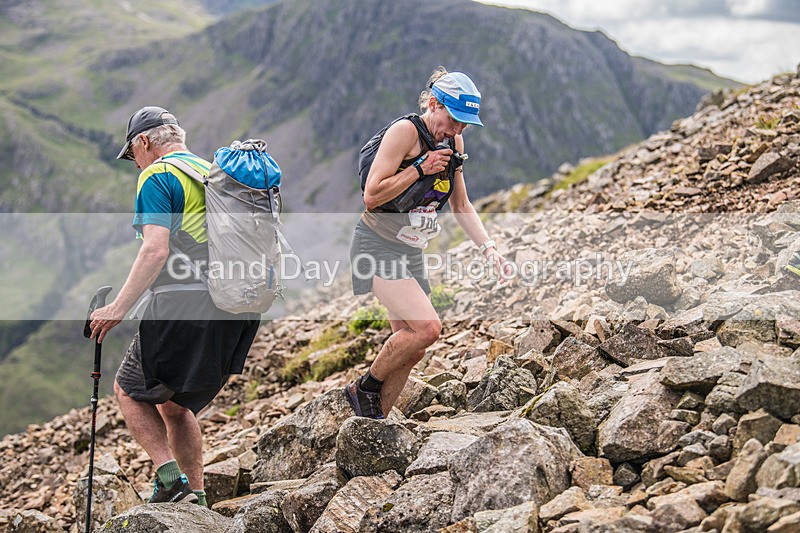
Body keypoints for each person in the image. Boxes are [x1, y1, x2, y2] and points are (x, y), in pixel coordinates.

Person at [89, 106, 260, 505]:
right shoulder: (214, 173)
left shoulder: (158, 175)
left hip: (187, 302)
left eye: (133, 155)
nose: (136, 165)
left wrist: (117, 307)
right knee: (174, 404)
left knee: (129, 390)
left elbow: (155, 249)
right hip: (238, 306)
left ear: (144, 142)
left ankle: (170, 481)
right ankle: (195, 496)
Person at [345, 68, 510, 419]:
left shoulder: (454, 142)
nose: (457, 130)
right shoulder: (404, 132)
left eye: (465, 124)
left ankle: (373, 423)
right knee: (428, 328)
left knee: (412, 348)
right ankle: (364, 388)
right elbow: (372, 195)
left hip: (410, 250)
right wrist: (421, 167)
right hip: (376, 244)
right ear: (434, 104)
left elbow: (461, 205)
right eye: (454, 120)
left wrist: (489, 248)